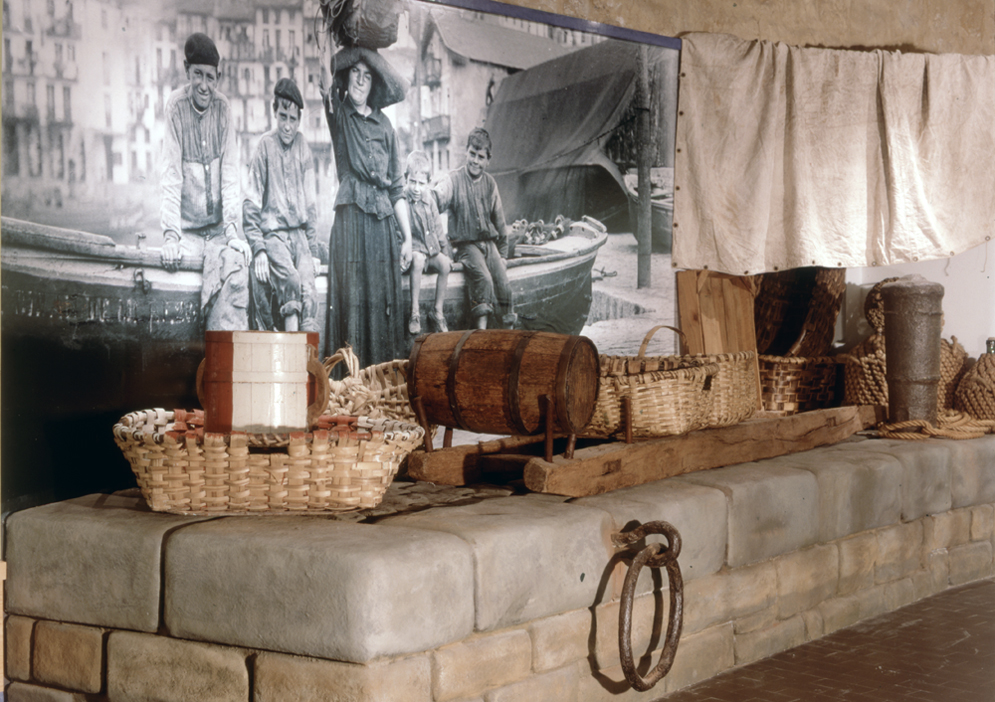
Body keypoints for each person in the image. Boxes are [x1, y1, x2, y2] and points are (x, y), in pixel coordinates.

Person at [323, 46, 412, 366]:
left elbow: (397, 188)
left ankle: (378, 384)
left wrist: (409, 240)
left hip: (382, 228)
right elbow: (325, 73)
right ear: (346, 77)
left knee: (381, 305)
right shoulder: (338, 111)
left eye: (367, 75)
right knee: (353, 306)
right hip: (351, 223)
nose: (360, 81)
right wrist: (358, 47)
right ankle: (349, 386)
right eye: (355, 73)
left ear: (374, 84)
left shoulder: (386, 126)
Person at [160, 32, 251, 330]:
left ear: (218, 77)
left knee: (236, 273)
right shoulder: (175, 108)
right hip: (187, 232)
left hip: (218, 230)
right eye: (197, 74)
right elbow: (171, 177)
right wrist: (171, 236)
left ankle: (225, 355)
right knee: (178, 280)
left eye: (210, 77)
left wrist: (233, 231)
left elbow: (230, 178)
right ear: (187, 71)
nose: (203, 84)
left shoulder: (224, 110)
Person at [243, 78, 320, 332]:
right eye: (283, 117)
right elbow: (251, 202)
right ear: (274, 113)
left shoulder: (303, 148)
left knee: (309, 285)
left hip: (298, 235)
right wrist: (259, 248)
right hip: (274, 234)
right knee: (291, 279)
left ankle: (308, 360)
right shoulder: (265, 146)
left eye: (293, 119)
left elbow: (310, 205)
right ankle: (292, 361)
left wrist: (313, 250)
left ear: (299, 120)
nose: (288, 126)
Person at [435, 128, 515, 330]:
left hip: (489, 245)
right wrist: (429, 196)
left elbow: (499, 220)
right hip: (466, 246)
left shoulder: (490, 184)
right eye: (472, 154)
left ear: (488, 160)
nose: (475, 161)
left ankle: (509, 331)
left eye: (481, 157)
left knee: (504, 285)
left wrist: (503, 254)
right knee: (484, 279)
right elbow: (437, 199)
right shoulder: (453, 180)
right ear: (466, 152)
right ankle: (481, 333)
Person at [404, 150, 451, 335]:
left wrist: (446, 251)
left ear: (428, 183)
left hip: (430, 251)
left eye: (421, 184)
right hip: (414, 252)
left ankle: (437, 311)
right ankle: (414, 313)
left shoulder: (429, 200)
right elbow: (400, 231)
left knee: (446, 266)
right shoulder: (403, 202)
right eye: (412, 182)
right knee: (418, 260)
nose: (416, 188)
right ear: (406, 179)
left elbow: (439, 228)